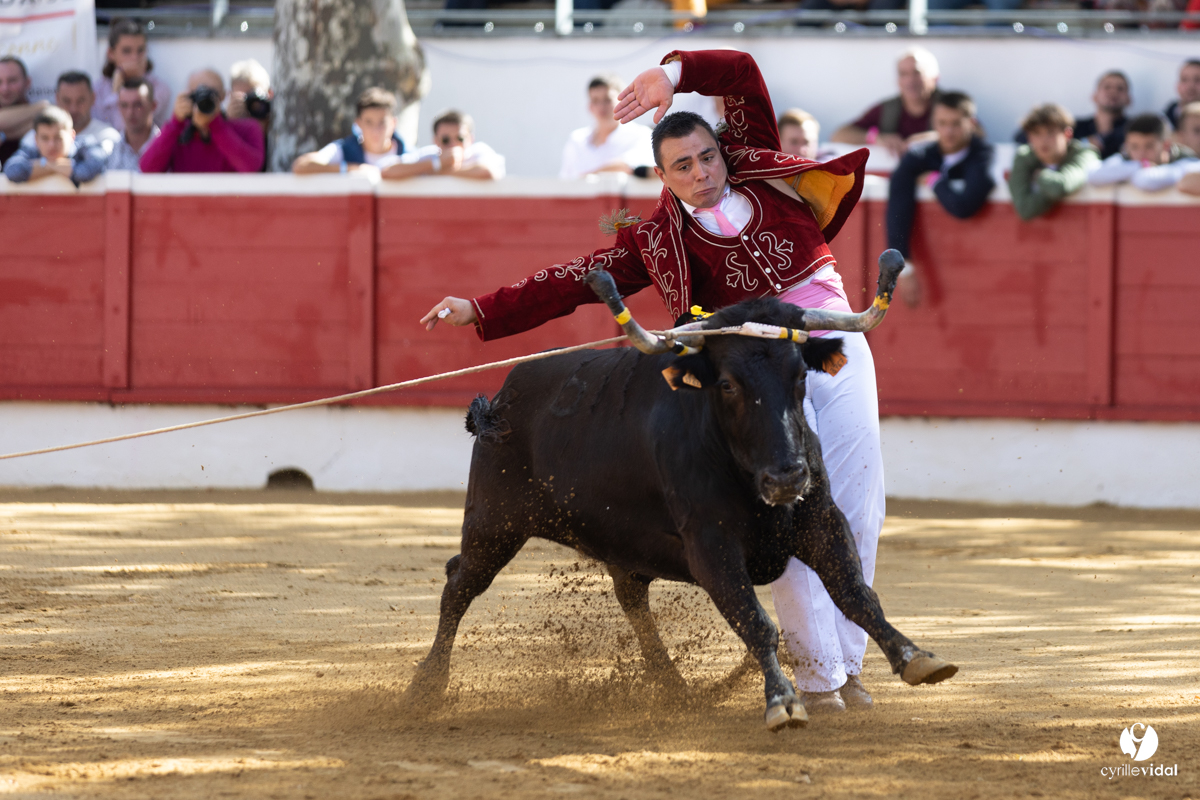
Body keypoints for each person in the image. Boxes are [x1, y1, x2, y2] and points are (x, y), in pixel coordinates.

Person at [421, 50, 883, 714]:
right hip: (755, 376)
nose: (700, 174)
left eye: (707, 158)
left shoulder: (758, 161)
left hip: (830, 340)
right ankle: (819, 676)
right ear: (662, 177)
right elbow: (573, 279)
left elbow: (743, 72)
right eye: (683, 167)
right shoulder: (658, 240)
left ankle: (850, 664)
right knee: (788, 515)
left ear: (724, 152)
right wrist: (483, 308)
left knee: (858, 505)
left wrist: (673, 72)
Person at [886, 91, 994, 306]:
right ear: (933, 123)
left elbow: (964, 207)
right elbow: (897, 206)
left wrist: (934, 180)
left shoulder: (982, 154)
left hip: (979, 272)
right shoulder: (920, 156)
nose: (948, 131)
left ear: (971, 123)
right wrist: (903, 268)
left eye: (955, 123)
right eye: (942, 123)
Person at [139, 69, 264, 174]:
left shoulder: (247, 128)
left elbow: (251, 168)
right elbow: (147, 169)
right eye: (197, 93)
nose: (203, 100)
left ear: (223, 96)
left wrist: (216, 125)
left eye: (211, 94)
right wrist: (175, 122)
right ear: (187, 95)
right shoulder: (178, 133)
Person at [831, 48, 940, 158]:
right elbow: (838, 135)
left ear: (935, 78)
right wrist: (876, 138)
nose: (910, 80)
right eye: (903, 74)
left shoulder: (949, 105)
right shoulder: (887, 109)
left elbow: (958, 135)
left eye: (917, 73)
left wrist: (931, 139)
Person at [1008, 104, 1100, 221]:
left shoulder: (1086, 153)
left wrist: (1039, 176)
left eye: (1050, 132)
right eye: (1037, 133)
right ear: (1029, 137)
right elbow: (1024, 209)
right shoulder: (1024, 156)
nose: (1043, 140)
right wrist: (1050, 187)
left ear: (1067, 134)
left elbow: (1061, 186)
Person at [292, 87, 407, 174]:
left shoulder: (408, 155)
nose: (375, 130)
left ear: (393, 123)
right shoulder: (343, 150)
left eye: (382, 122)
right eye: (369, 122)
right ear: (358, 123)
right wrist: (350, 169)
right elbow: (301, 165)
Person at [560, 74, 654, 179]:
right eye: (595, 100)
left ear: (624, 102)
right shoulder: (576, 140)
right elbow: (565, 180)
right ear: (590, 106)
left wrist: (585, 179)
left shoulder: (641, 134)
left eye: (607, 100)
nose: (601, 107)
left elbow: (632, 166)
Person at [94, 18, 172, 132]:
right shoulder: (97, 91)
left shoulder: (160, 89)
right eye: (127, 51)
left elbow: (126, 129)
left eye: (140, 50)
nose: (135, 58)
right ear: (111, 53)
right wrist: (117, 87)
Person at [19, 72, 121, 158]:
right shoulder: (33, 138)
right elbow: (16, 168)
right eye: (67, 101)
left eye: (80, 101)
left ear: (93, 98)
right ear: (57, 99)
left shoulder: (108, 136)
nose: (73, 108)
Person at [1089, 113, 1199, 191]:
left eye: (1149, 146)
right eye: (1134, 147)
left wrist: (1134, 170)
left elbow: (1146, 181)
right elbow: (1094, 175)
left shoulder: (1187, 158)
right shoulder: (1125, 157)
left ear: (1166, 145)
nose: (1141, 153)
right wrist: (1139, 166)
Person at [383, 110, 504, 180]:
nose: (453, 144)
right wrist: (437, 163)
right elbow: (388, 171)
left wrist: (438, 171)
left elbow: (489, 172)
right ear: (436, 141)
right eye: (445, 140)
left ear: (471, 139)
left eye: (460, 138)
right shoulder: (429, 155)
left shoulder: (479, 151)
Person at [3, 106, 107, 187]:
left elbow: (84, 173)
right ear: (36, 139)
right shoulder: (31, 151)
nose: (51, 145)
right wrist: (52, 166)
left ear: (72, 136)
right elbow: (12, 171)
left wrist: (40, 167)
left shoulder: (87, 145)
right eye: (45, 138)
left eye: (58, 138)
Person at [0, 56, 47, 166]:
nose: (5, 88)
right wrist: (41, 107)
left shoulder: (43, 116)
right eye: (0, 81)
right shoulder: (39, 110)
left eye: (12, 81)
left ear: (27, 82)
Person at [1073, 71, 1131, 160]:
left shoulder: (1134, 130)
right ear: (1094, 96)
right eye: (1107, 87)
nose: (1113, 91)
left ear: (1129, 99)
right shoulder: (1075, 127)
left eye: (1120, 88)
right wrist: (1084, 144)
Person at [227, 58, 272, 172]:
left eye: (254, 97)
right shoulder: (224, 126)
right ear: (230, 96)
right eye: (243, 99)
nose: (249, 105)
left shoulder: (282, 123)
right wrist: (230, 124)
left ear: (269, 94)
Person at [107, 79, 160, 172]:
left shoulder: (166, 146)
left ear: (153, 106)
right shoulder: (109, 149)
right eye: (124, 105)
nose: (130, 112)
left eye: (138, 105)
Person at [1165, 59, 1200, 130]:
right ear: (1177, 85)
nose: (1191, 86)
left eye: (1197, 80)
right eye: (1184, 79)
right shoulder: (1164, 120)